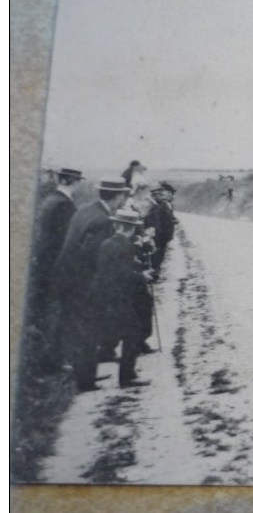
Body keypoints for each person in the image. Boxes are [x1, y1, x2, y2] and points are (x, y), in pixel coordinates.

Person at [54, 177, 131, 392]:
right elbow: (93, 258)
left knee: (79, 330)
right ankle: (86, 381)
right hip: (82, 283)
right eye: (123, 195)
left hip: (67, 279)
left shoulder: (86, 210)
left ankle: (85, 374)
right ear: (116, 197)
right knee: (88, 331)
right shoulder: (103, 221)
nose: (124, 200)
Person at [87, 208, 156, 389]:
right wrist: (143, 276)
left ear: (116, 225)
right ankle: (127, 377)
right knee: (133, 332)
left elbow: (114, 268)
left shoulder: (108, 243)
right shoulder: (125, 246)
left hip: (103, 297)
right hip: (118, 298)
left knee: (109, 333)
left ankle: (97, 373)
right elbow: (124, 275)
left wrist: (136, 266)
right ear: (131, 228)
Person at [26, 167, 83, 371]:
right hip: (58, 267)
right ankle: (54, 360)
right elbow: (65, 241)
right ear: (72, 181)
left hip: (44, 265)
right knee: (59, 313)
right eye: (77, 181)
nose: (78, 185)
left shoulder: (50, 200)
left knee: (48, 313)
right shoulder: (64, 205)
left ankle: (49, 359)